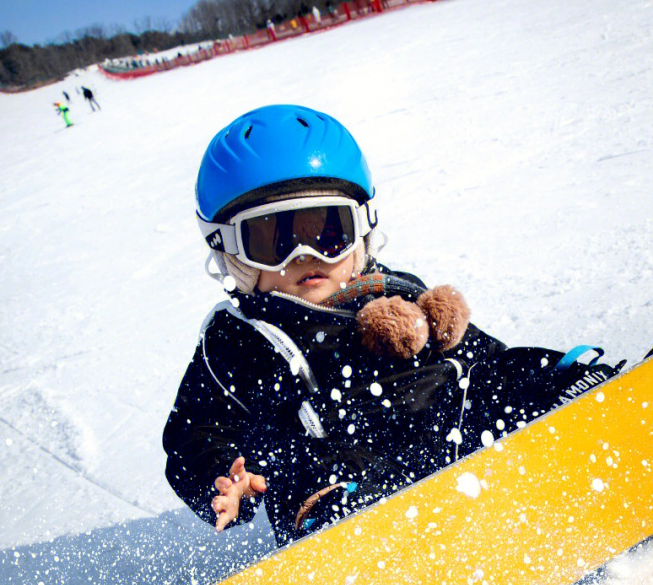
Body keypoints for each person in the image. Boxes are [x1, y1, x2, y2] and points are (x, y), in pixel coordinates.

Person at [163, 105, 623, 546]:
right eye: (273, 240)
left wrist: (523, 378)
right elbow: (193, 434)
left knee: (495, 376)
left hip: (452, 446)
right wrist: (225, 477)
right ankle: (343, 527)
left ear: (362, 228)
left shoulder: (395, 293)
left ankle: (589, 399)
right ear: (231, 253)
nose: (304, 255)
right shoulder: (236, 342)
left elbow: (479, 356)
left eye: (328, 233)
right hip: (342, 479)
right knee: (314, 463)